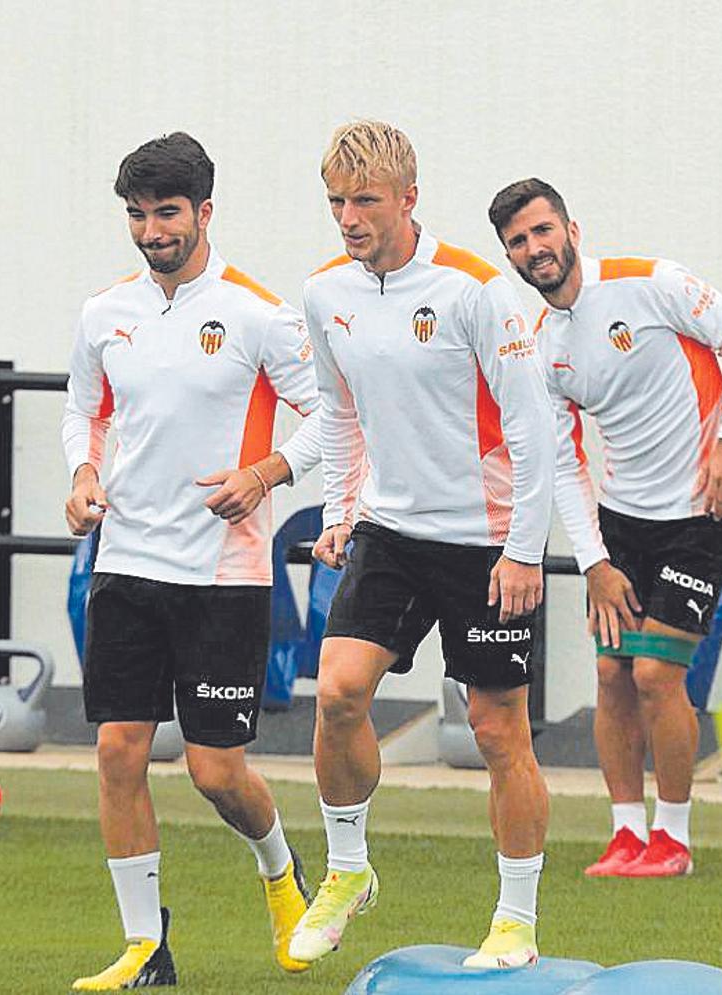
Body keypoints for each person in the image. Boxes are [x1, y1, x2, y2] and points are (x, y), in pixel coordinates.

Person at [289, 121, 555, 970]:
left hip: (484, 541)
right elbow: (335, 410)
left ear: (409, 198)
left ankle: (515, 919)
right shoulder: (324, 292)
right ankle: (348, 869)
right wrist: (338, 509)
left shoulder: (477, 289)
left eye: (365, 200)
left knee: (496, 729)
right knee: (336, 693)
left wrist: (523, 549)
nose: (349, 217)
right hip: (389, 532)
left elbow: (533, 427)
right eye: (337, 201)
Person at [61, 132, 321, 989]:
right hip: (127, 561)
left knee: (216, 771)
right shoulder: (105, 313)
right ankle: (145, 945)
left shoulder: (260, 314)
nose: (150, 231)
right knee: (116, 752)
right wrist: (83, 473)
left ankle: (282, 875)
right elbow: (83, 412)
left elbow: (332, 418)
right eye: (137, 215)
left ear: (205, 212)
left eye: (166, 213)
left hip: (222, 574)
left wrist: (265, 471)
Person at [489, 177, 722, 878]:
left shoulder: (649, 283)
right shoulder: (540, 346)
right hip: (622, 522)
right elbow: (563, 464)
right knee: (610, 673)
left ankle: (675, 837)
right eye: (518, 241)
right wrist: (594, 561)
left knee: (658, 672)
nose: (534, 248)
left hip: (702, 511)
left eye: (543, 230)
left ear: (573, 229)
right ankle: (626, 834)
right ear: (509, 256)